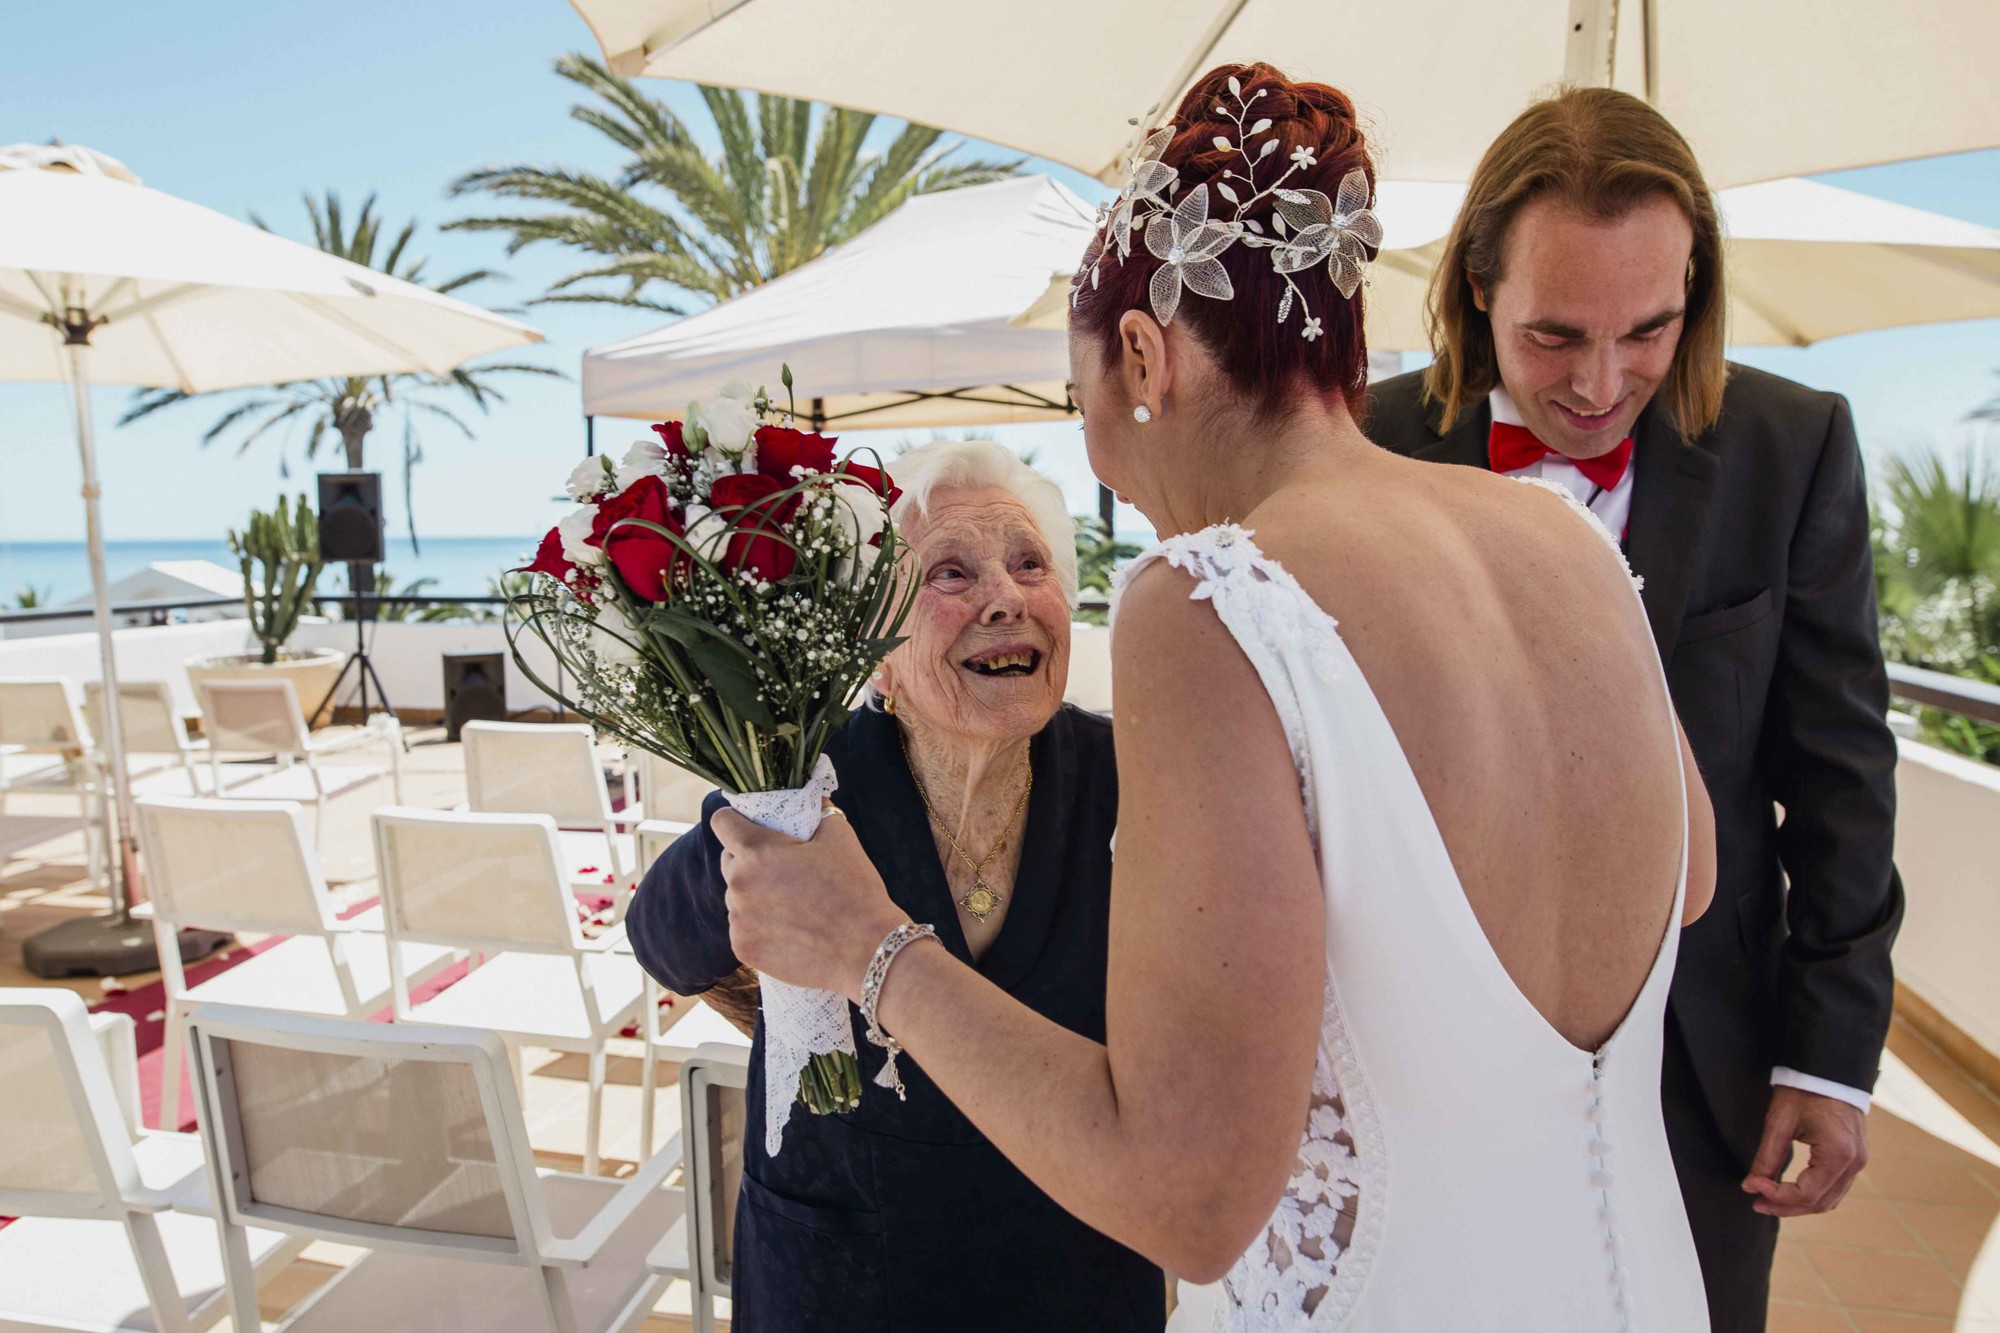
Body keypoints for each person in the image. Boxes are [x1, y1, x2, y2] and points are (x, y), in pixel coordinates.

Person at [708, 62, 1719, 1331]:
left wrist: (869, 945)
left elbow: (1188, 1199)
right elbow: (1686, 876)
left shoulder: (1208, 601)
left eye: (1085, 405)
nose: (1102, 463)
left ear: (1142, 352)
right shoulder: (1562, 532)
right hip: (1645, 1290)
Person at [1364, 87, 1904, 1332]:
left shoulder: (1794, 443)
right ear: (1475, 294)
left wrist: (1825, 1056)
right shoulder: (1366, 446)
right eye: (1553, 335)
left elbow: (1838, 778)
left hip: (1703, 1072)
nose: (1600, 384)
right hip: (1430, 1063)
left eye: (1647, 330)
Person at [623, 438, 1165, 1333]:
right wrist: (795, 987)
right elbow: (664, 943)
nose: (1006, 596)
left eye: (1031, 564)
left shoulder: (1131, 779)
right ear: (871, 649)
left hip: (1073, 1273)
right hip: (844, 1278)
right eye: (952, 573)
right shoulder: (806, 783)